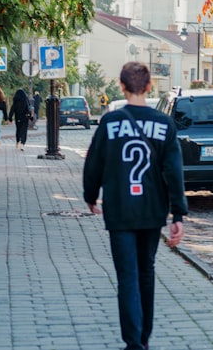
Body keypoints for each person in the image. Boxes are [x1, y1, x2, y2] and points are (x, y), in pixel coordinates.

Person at [83, 62, 187, 350]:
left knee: (127, 276)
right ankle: (144, 337)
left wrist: (90, 195)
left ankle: (133, 343)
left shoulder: (110, 122)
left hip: (119, 210)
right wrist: (178, 213)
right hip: (152, 211)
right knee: (146, 272)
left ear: (122, 87)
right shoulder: (164, 124)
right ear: (150, 86)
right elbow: (174, 170)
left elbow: (94, 163)